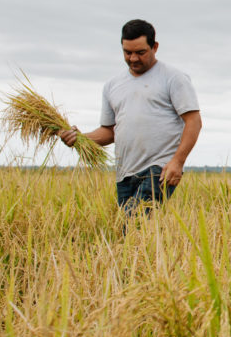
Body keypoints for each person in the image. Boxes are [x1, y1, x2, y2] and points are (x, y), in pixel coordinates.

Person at [60, 19, 202, 217]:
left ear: (155, 47)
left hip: (159, 168)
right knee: (131, 233)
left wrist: (177, 161)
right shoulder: (112, 85)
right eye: (127, 52)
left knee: (134, 223)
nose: (133, 58)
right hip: (125, 172)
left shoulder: (173, 78)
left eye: (140, 52)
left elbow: (194, 121)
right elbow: (110, 132)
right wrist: (80, 139)